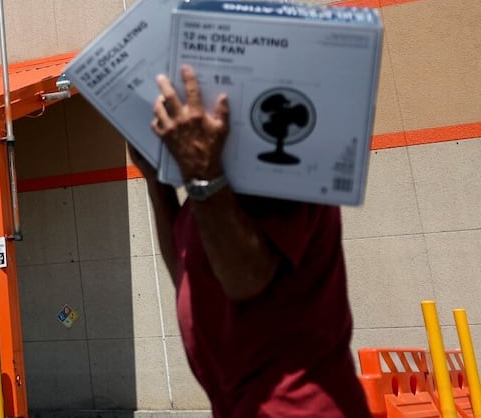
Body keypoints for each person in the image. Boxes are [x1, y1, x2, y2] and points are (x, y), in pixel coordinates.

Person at [136, 65, 369, 417]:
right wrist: (157, 181)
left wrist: (201, 173)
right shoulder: (207, 198)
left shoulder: (282, 170)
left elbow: (246, 280)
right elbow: (188, 279)